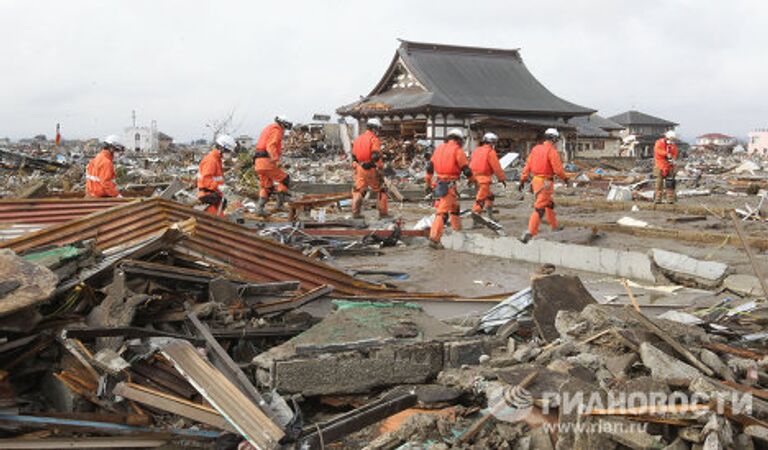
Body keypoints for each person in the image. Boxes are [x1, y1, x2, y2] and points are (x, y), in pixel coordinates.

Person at [425, 129, 472, 249]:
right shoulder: (457, 150)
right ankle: (434, 239)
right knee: (442, 213)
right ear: (459, 139)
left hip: (440, 183)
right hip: (449, 185)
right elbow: (466, 169)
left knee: (455, 207)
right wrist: (473, 180)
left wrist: (428, 183)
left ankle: (457, 231)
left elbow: (430, 168)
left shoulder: (439, 149)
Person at [518, 128, 568, 243]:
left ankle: (554, 226)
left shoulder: (536, 149)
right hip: (545, 182)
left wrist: (522, 179)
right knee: (540, 208)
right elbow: (558, 169)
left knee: (549, 204)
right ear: (554, 139)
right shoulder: (552, 151)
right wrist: (565, 179)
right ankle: (530, 232)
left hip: (536, 181)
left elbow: (527, 165)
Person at [254, 115, 293, 215]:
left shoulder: (268, 128)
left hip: (259, 162)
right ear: (283, 124)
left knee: (267, 186)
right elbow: (271, 145)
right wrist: (276, 160)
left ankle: (259, 209)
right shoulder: (277, 129)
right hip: (267, 161)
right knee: (285, 179)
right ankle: (279, 205)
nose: (285, 130)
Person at [351, 118, 388, 219]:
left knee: (358, 190)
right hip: (370, 168)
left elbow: (353, 157)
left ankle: (355, 213)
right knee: (381, 190)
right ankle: (383, 213)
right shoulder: (374, 139)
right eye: (378, 129)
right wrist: (380, 168)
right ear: (374, 128)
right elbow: (375, 156)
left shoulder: (358, 139)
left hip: (360, 168)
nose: (378, 131)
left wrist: (356, 166)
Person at [469, 132, 507, 221]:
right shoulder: (490, 152)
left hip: (474, 177)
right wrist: (502, 179)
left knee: (489, 196)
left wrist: (470, 178)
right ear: (493, 142)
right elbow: (496, 167)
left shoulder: (477, 150)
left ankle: (490, 217)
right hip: (484, 179)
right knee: (480, 200)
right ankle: (475, 221)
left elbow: (471, 164)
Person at [197, 134, 236, 216]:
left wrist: (223, 185)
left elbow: (216, 178)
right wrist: (219, 187)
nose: (229, 154)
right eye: (228, 151)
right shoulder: (211, 161)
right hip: (208, 196)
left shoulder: (216, 159)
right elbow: (206, 180)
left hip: (213, 195)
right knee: (216, 224)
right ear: (221, 148)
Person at [653, 130, 679, 204]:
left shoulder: (673, 145)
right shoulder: (659, 143)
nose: (672, 141)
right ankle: (658, 199)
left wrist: (673, 159)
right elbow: (657, 151)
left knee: (670, 183)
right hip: (660, 165)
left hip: (669, 166)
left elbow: (675, 153)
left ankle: (670, 199)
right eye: (671, 139)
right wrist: (666, 154)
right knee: (659, 183)